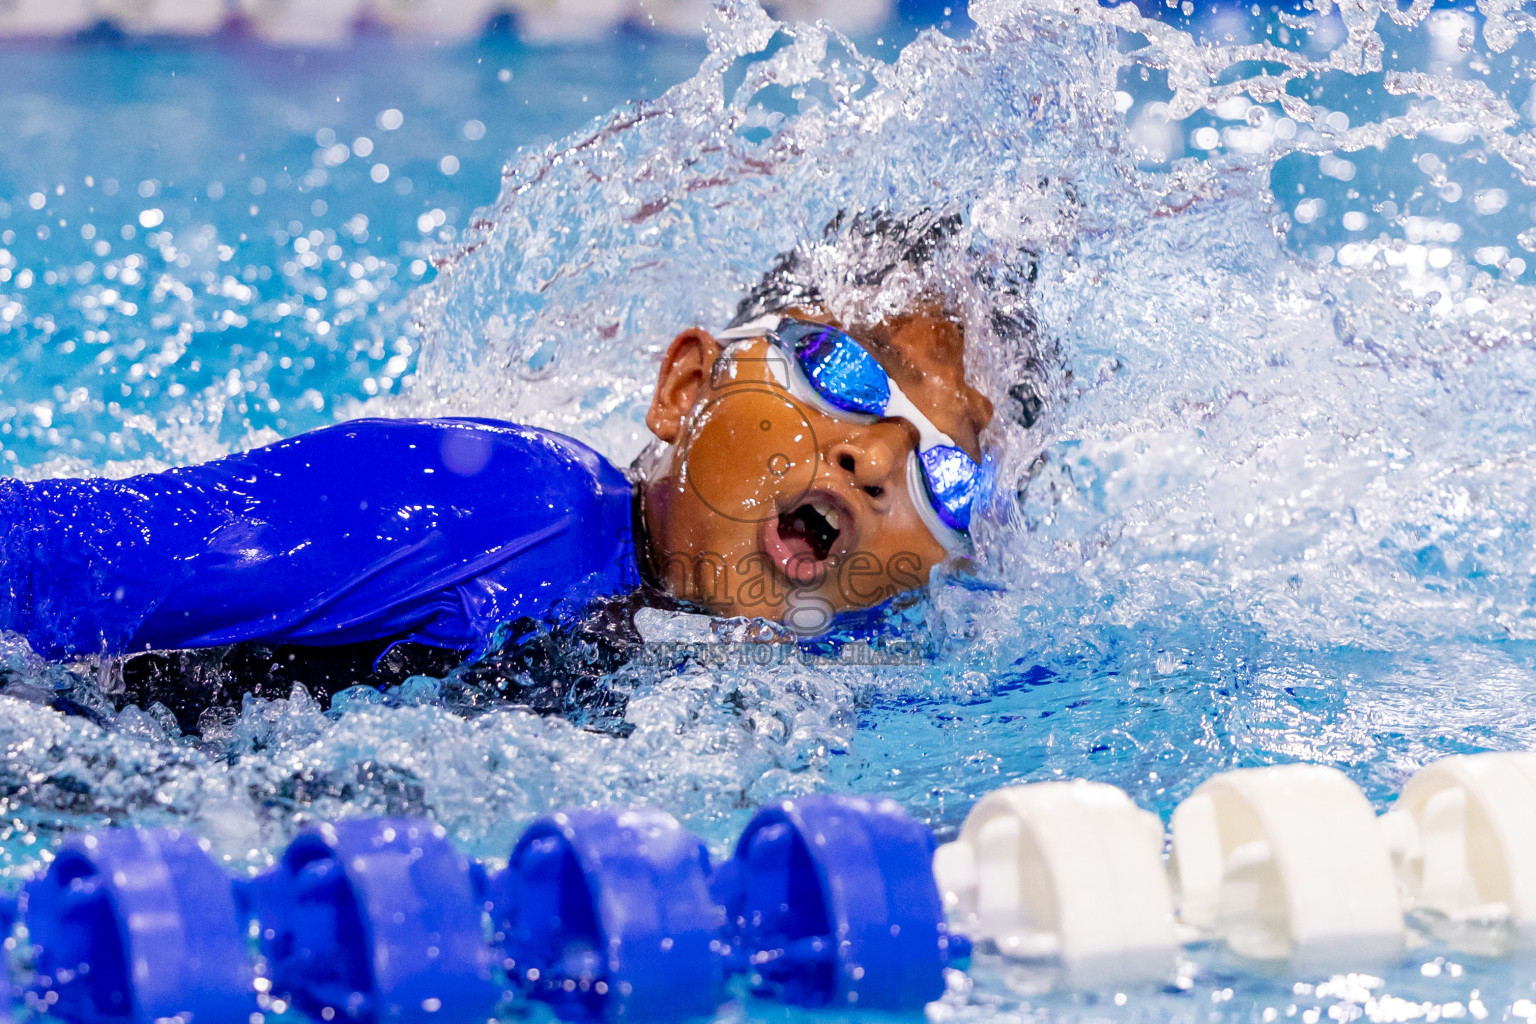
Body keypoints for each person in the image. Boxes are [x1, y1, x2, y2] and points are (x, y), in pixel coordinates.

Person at [0, 210, 1036, 733]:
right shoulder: (499, 501)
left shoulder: (832, 682)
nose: (876, 459)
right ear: (687, 386)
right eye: (844, 369)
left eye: (949, 477)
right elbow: (53, 561)